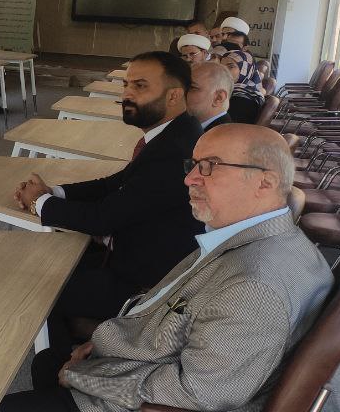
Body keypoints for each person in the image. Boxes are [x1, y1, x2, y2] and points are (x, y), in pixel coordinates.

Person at [0, 125, 340, 412]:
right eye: (193, 165)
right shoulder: (260, 237)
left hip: (135, 401)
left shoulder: (255, 286)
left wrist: (85, 376)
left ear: (266, 182)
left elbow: (197, 393)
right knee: (47, 362)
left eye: (210, 166)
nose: (190, 179)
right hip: (143, 357)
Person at [14, 51, 204, 363]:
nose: (127, 94)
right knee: (52, 262)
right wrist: (55, 192)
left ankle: (63, 374)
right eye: (127, 85)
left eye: (140, 86)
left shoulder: (175, 151)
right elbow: (115, 184)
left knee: (43, 288)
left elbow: (103, 218)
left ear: (173, 96)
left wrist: (39, 203)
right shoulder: (175, 133)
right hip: (137, 254)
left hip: (146, 286)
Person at [186, 61, 234, 130]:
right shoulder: (190, 126)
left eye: (192, 87)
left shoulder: (224, 135)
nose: (181, 92)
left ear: (218, 98)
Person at [223, 49, 265, 124]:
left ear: (245, 69)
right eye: (221, 67)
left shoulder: (243, 98)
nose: (224, 70)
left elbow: (231, 127)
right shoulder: (233, 91)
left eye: (230, 66)